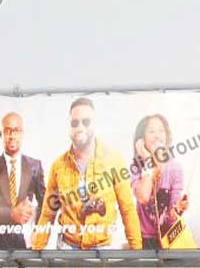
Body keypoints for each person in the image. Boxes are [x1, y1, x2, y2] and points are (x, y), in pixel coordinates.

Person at [32, 98, 143, 250]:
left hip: (103, 250)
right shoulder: (58, 166)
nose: (80, 127)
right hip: (67, 248)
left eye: (86, 122)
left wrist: (137, 250)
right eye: (74, 123)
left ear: (95, 124)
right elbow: (47, 213)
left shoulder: (114, 160)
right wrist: (37, 250)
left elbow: (127, 209)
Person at [0, 112, 46, 250]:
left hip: (24, 241)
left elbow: (45, 204)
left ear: (22, 134)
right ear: (1, 134)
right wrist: (10, 213)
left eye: (16, 130)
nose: (12, 136)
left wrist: (38, 231)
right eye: (8, 131)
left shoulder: (35, 166)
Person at [130, 114, 190, 249]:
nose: (157, 136)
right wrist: (148, 162)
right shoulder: (136, 167)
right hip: (143, 240)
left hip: (169, 239)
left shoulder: (175, 167)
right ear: (141, 139)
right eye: (151, 131)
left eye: (161, 131)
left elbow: (171, 219)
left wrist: (179, 209)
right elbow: (144, 197)